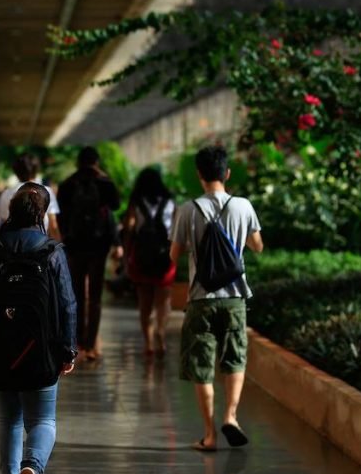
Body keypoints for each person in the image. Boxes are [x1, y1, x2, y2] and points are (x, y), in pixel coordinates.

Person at [0, 184, 77, 474]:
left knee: (9, 420)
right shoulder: (52, 251)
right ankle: (31, 466)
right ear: (42, 215)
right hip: (42, 351)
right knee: (43, 420)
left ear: (9, 211)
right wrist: (68, 349)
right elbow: (66, 303)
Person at [169, 145, 263, 452]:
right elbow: (258, 246)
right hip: (234, 297)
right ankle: (231, 416)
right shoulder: (243, 206)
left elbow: (175, 254)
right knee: (235, 358)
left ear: (199, 174)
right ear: (227, 173)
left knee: (202, 365)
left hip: (200, 298)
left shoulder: (187, 210)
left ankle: (209, 435)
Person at [56, 146, 122, 361]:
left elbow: (60, 214)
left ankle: (77, 344)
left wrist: (66, 235)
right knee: (95, 297)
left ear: (78, 162)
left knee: (75, 295)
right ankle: (91, 345)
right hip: (98, 247)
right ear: (96, 162)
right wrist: (104, 177)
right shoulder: (103, 182)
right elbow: (116, 204)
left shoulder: (68, 183)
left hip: (75, 246)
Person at [123, 167, 176, 357]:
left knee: (145, 302)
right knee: (164, 300)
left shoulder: (136, 202)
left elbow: (129, 228)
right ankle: (161, 333)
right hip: (166, 257)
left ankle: (148, 343)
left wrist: (126, 254)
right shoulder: (169, 201)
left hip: (141, 256)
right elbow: (176, 229)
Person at [0, 153, 61, 240]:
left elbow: (4, 221)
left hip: (12, 243)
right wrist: (59, 248)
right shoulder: (46, 192)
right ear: (36, 170)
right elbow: (53, 225)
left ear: (16, 171)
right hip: (40, 244)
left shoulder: (6, 193)